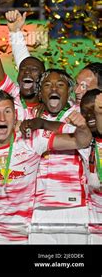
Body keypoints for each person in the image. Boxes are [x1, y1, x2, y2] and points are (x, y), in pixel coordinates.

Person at [0, 90, 89, 243]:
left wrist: (82, 127)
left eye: (7, 111)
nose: (2, 118)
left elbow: (80, 142)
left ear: (15, 115)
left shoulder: (32, 139)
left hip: (26, 235)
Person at [25, 69, 88, 244]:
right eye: (47, 85)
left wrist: (45, 124)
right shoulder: (30, 117)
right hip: (39, 207)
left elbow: (85, 138)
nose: (54, 89)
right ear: (39, 93)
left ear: (69, 91)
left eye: (60, 85)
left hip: (74, 205)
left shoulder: (80, 114)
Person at [0, 0, 45, 121]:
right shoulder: (9, 93)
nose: (27, 72)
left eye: (34, 70)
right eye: (23, 70)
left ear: (44, 78)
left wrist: (15, 33)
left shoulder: (52, 106)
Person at [79, 89, 102, 244]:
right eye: (84, 112)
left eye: (94, 109)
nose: (89, 115)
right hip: (93, 228)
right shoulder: (81, 144)